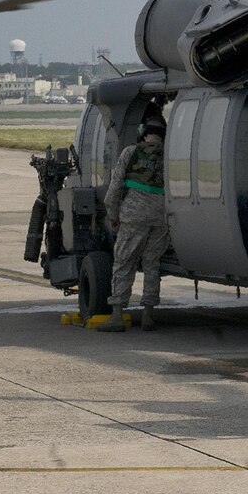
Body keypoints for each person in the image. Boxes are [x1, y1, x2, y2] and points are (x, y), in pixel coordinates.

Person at [97, 101, 169, 331]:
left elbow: (115, 188)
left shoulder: (131, 152)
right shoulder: (169, 155)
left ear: (143, 133)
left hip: (134, 215)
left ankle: (117, 315)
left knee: (124, 262)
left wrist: (113, 215)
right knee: (152, 263)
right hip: (161, 217)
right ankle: (148, 314)